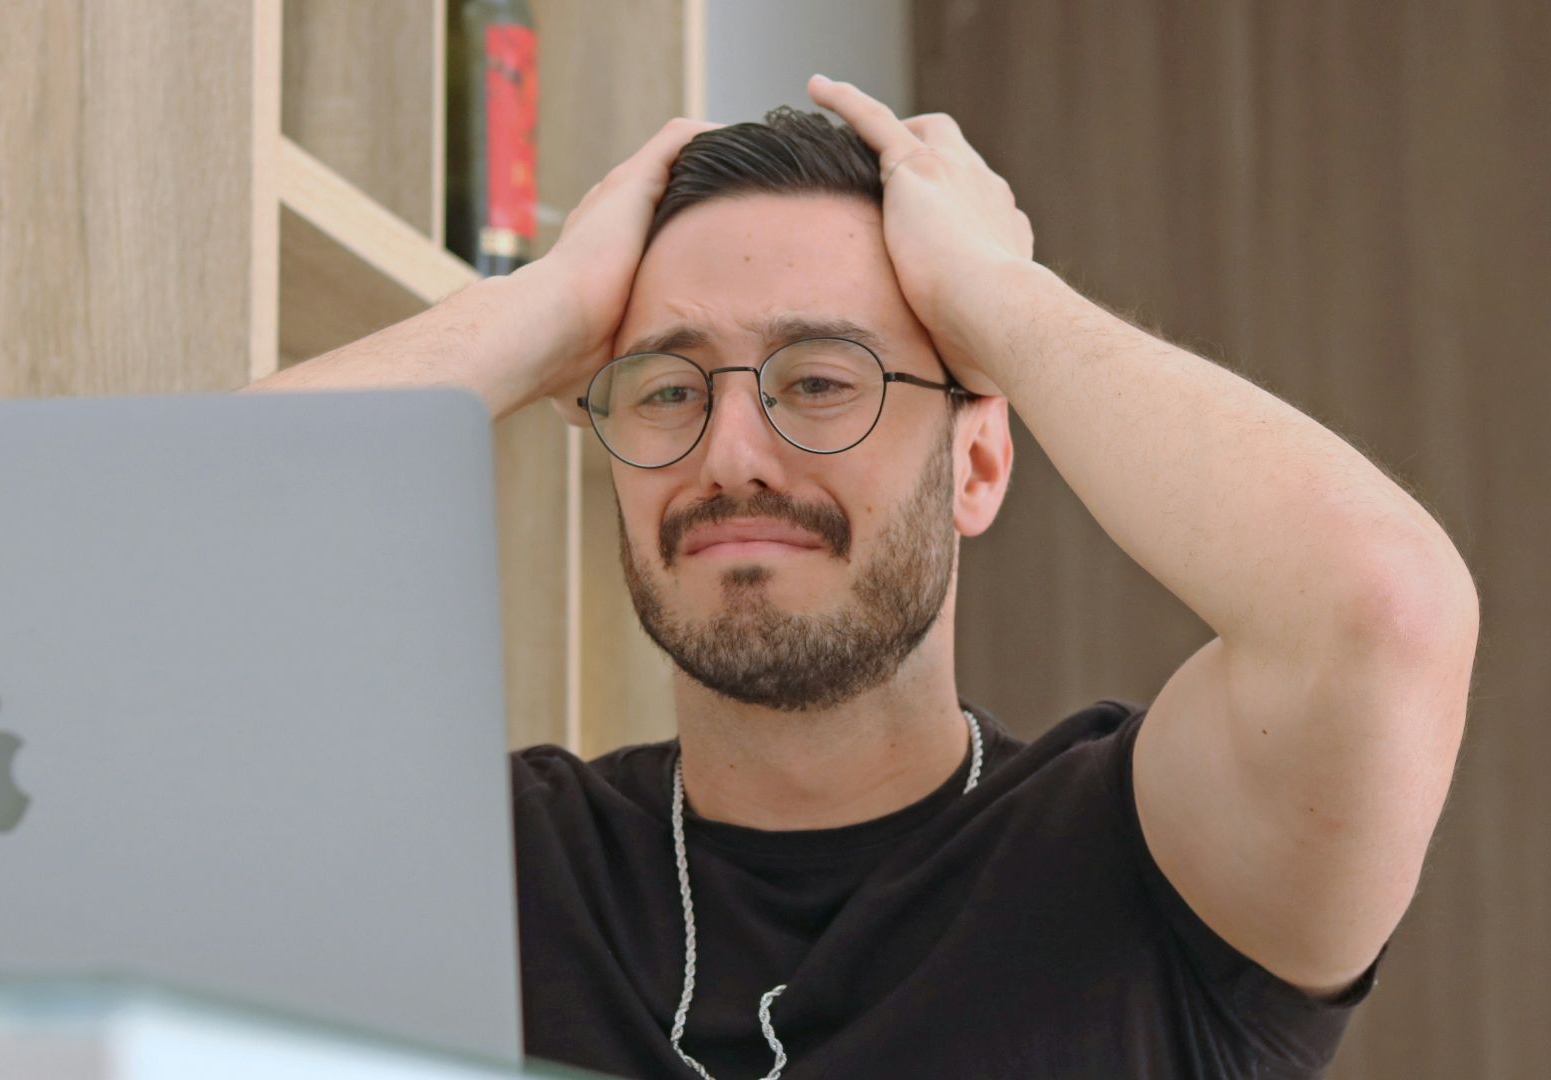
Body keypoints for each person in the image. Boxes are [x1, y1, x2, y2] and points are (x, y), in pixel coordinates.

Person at [241, 75, 1479, 1080]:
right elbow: (94, 620)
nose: (731, 454)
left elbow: (1380, 607)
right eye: (669, 390)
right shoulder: (496, 876)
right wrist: (547, 309)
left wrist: (1001, 297)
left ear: (978, 464)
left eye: (822, 381)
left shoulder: (1152, 876)